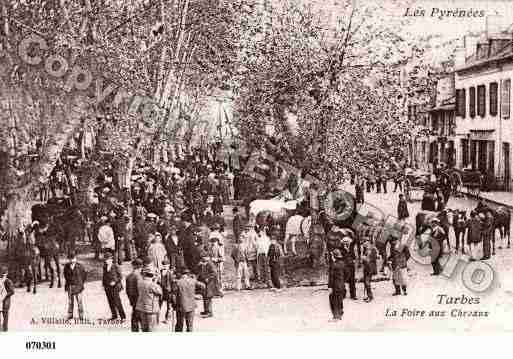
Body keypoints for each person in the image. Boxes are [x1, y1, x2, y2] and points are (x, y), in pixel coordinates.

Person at [136, 266, 163, 332]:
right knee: (152, 329)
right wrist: (156, 282)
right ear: (152, 275)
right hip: (151, 310)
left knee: (144, 328)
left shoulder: (140, 282)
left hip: (141, 308)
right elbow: (160, 293)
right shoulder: (153, 285)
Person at [63, 251, 87, 320]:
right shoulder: (66, 266)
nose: (72, 260)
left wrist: (81, 284)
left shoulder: (80, 266)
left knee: (79, 301)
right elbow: (65, 276)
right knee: (70, 302)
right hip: (70, 286)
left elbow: (84, 275)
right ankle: (70, 315)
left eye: (73, 258)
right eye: (70, 259)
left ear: (75, 259)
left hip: (78, 286)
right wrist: (67, 285)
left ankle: (81, 315)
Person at [102, 252, 126, 321]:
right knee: (110, 301)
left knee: (117, 301)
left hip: (115, 287)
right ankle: (114, 315)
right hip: (107, 287)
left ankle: (123, 316)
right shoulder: (105, 266)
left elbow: (120, 276)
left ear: (111, 259)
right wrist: (103, 285)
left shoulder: (116, 266)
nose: (107, 260)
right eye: (106, 259)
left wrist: (115, 282)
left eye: (108, 259)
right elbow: (104, 276)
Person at [125, 258, 143, 332]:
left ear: (133, 266)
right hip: (140, 300)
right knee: (142, 318)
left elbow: (127, 291)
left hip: (133, 300)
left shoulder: (129, 276)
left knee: (134, 317)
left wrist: (131, 300)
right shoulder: (140, 276)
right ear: (141, 266)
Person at [328, 249, 345, 321]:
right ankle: (340, 313)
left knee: (333, 300)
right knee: (340, 299)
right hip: (341, 285)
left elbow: (331, 277)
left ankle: (336, 316)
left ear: (334, 256)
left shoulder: (333, 265)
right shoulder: (343, 263)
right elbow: (347, 274)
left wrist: (330, 287)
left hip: (335, 285)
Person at [159, 259, 176, 325]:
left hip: (168, 291)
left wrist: (172, 291)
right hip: (161, 290)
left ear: (168, 265)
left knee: (169, 306)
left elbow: (173, 283)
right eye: (163, 265)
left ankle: (167, 319)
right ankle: (157, 318)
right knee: (158, 305)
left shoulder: (170, 273)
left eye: (166, 265)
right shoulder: (160, 272)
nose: (164, 266)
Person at [0, 266, 14, 332]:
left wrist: (4, 295)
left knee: (5, 317)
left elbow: (12, 291)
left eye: (3, 274)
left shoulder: (8, 281)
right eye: (1, 274)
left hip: (5, 302)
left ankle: (5, 329)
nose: (2, 276)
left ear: (6, 273)